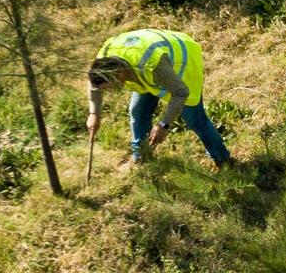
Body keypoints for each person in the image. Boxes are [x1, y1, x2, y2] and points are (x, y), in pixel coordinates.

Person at [86, 28, 233, 169]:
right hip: (147, 73)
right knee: (138, 112)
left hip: (182, 64)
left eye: (109, 87)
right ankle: (141, 155)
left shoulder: (151, 64)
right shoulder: (104, 59)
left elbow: (181, 93)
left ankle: (222, 160)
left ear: (119, 74)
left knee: (194, 119)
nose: (108, 91)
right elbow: (94, 84)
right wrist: (94, 114)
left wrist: (164, 125)